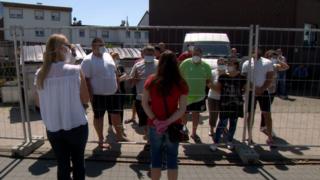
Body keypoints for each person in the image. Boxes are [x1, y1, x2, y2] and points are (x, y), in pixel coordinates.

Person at [35, 34, 89, 180]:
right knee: (78, 162)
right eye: (69, 46)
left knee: (62, 164)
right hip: (76, 124)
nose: (70, 49)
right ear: (61, 49)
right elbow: (85, 98)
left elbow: (38, 103)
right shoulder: (76, 70)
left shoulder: (40, 74)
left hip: (53, 127)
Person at [142, 50, 188, 180]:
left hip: (154, 125)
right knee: (172, 158)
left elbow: (145, 103)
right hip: (173, 125)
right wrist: (167, 122)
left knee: (155, 157)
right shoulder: (181, 83)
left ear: (160, 63)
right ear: (176, 63)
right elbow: (182, 109)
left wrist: (156, 121)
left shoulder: (151, 80)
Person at [81, 38, 128, 149]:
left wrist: (117, 88)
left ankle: (119, 136)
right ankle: (101, 140)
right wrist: (90, 97)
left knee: (116, 115)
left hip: (114, 93)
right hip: (98, 96)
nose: (101, 47)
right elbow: (85, 80)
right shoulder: (87, 60)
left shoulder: (107, 55)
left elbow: (115, 72)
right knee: (99, 117)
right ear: (93, 47)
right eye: (98, 45)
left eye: (102, 45)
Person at [209, 58, 246, 151]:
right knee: (222, 123)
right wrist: (208, 84)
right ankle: (216, 142)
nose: (228, 66)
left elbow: (246, 88)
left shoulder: (242, 77)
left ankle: (229, 141)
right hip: (225, 104)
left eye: (230, 64)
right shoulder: (223, 76)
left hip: (236, 104)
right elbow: (218, 89)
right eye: (228, 64)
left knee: (233, 123)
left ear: (236, 65)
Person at [242, 49, 275, 145]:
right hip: (251, 92)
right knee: (250, 114)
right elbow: (244, 78)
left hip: (264, 92)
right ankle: (249, 137)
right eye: (253, 50)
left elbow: (270, 77)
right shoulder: (246, 63)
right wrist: (254, 88)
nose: (255, 52)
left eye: (257, 50)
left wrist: (262, 88)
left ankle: (270, 138)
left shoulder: (268, 62)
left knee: (267, 115)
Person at [179, 47, 212, 143]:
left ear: (201, 55)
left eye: (198, 54)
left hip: (199, 96)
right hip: (185, 96)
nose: (196, 56)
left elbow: (208, 80)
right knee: (183, 114)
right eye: (194, 54)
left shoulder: (206, 66)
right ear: (191, 54)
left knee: (196, 115)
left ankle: (194, 133)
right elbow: (179, 77)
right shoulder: (185, 63)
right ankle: (183, 132)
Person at [129, 45, 158, 142]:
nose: (149, 55)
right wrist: (134, 79)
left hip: (156, 99)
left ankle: (154, 139)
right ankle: (149, 139)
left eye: (151, 54)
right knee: (144, 121)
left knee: (155, 120)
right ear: (143, 54)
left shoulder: (160, 64)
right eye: (147, 54)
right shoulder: (137, 65)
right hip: (141, 99)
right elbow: (131, 81)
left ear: (154, 54)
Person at [260, 50, 289, 135]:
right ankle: (265, 127)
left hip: (272, 90)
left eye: (274, 57)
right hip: (264, 89)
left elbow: (286, 67)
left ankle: (264, 126)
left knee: (266, 109)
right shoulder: (264, 65)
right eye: (271, 56)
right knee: (266, 109)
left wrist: (279, 60)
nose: (273, 58)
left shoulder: (275, 66)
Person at [108, 52, 128, 133]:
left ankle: (121, 125)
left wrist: (120, 78)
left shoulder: (120, 67)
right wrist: (118, 79)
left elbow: (125, 75)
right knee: (110, 109)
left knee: (121, 109)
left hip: (121, 91)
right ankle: (110, 125)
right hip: (111, 91)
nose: (117, 59)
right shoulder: (109, 67)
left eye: (118, 57)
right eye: (115, 57)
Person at [207, 58, 226, 136]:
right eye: (219, 64)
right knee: (213, 114)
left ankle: (223, 128)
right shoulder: (212, 72)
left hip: (223, 97)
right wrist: (217, 90)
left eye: (222, 64)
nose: (221, 65)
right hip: (212, 97)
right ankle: (212, 129)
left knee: (223, 114)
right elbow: (208, 83)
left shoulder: (227, 73)